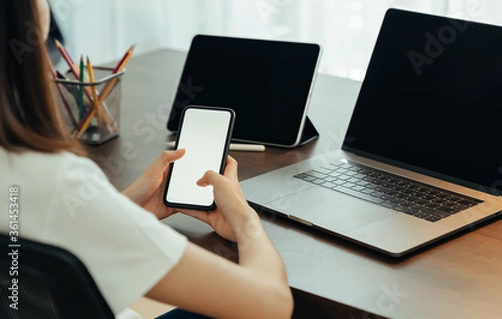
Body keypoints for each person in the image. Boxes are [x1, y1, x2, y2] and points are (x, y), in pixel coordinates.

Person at [0, 1, 293, 318]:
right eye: (41, 43)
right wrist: (245, 219)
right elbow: (271, 306)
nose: (49, 68)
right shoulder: (48, 177)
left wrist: (118, 210)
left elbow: (39, 228)